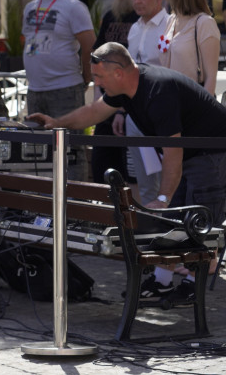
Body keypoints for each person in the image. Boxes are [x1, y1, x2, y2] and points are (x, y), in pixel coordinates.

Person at [29, 42, 226, 303]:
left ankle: (194, 283)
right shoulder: (125, 89)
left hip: (211, 151)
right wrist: (57, 123)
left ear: (118, 73)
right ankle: (162, 280)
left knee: (200, 218)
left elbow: (173, 151)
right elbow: (94, 111)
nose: (96, 82)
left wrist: (164, 197)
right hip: (190, 153)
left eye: (99, 76)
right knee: (172, 222)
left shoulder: (158, 90)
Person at [22, 0, 95, 181]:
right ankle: (45, 206)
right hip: (35, 90)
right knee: (37, 153)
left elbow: (89, 46)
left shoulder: (74, 7)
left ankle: (76, 207)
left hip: (65, 90)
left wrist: (86, 78)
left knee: (72, 152)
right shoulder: (30, 7)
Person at [90, 0, 143, 182]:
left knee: (131, 176)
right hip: (106, 103)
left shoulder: (144, 18)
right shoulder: (111, 15)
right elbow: (96, 53)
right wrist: (96, 92)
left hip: (133, 108)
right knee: (101, 169)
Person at [123, 0, 169, 204]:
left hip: (161, 112)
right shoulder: (134, 28)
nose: (138, 1)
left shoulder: (170, 26)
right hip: (135, 111)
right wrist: (123, 111)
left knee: (165, 180)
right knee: (144, 178)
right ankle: (151, 228)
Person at [159, 0, 218, 95]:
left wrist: (202, 110)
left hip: (193, 101)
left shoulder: (204, 23)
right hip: (169, 98)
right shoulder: (171, 20)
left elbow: (211, 78)